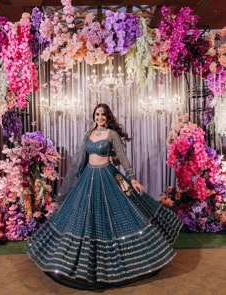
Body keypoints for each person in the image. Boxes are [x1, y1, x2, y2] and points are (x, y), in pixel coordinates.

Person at [27, 103, 182, 289]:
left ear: (108, 117)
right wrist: (78, 182)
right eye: (97, 114)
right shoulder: (89, 134)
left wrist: (132, 179)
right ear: (94, 116)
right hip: (88, 178)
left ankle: (126, 262)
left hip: (108, 176)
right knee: (82, 218)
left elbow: (123, 159)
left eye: (103, 115)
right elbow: (82, 160)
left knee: (119, 214)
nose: (100, 117)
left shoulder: (112, 134)